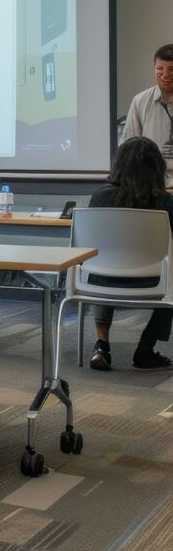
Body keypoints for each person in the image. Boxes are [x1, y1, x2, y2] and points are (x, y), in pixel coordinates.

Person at [86, 136, 173, 371]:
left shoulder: (99, 197)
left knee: (102, 263)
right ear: (156, 168)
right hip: (152, 282)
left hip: (101, 282)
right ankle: (145, 350)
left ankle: (101, 345)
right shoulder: (166, 202)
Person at [121, 44, 173, 188]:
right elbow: (129, 148)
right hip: (151, 187)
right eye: (159, 69)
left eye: (171, 69)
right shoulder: (140, 101)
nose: (165, 75)